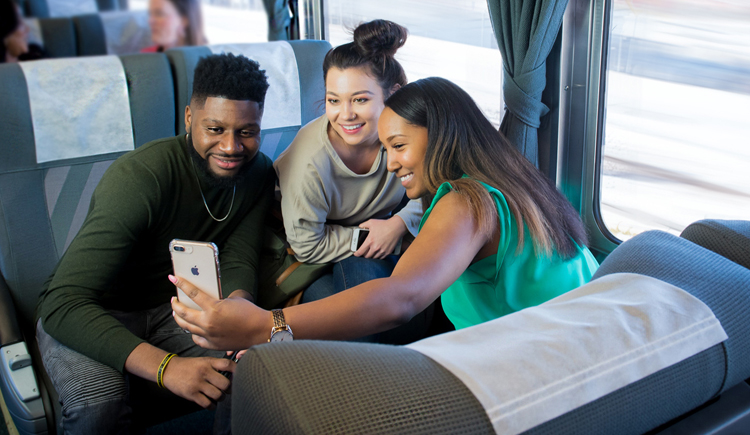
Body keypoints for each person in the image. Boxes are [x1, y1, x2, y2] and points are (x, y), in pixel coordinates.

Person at [170, 77, 599, 349]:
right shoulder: (519, 181)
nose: (390, 164)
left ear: (442, 137)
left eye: (398, 145)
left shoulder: (468, 200)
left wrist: (266, 325)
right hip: (571, 341)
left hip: (542, 361)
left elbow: (400, 299)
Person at [36, 53, 274, 433]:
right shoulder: (143, 177)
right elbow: (62, 302)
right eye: (215, 129)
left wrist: (237, 308)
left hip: (171, 308)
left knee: (250, 371)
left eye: (247, 131)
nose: (231, 147)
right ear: (189, 118)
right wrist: (167, 368)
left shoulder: (258, 172)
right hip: (95, 309)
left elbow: (238, 253)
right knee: (101, 409)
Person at [274, 20, 424, 320]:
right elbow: (306, 245)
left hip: (382, 231)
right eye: (333, 100)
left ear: (392, 95)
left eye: (360, 100)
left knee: (424, 297)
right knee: (367, 313)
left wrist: (398, 226)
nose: (346, 115)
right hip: (307, 255)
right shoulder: (311, 161)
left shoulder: (409, 132)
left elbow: (441, 184)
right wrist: (369, 235)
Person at [142, 0, 206, 53]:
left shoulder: (206, 63)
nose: (150, 21)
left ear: (184, 21)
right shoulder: (144, 58)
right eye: (150, 14)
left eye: (159, 13)